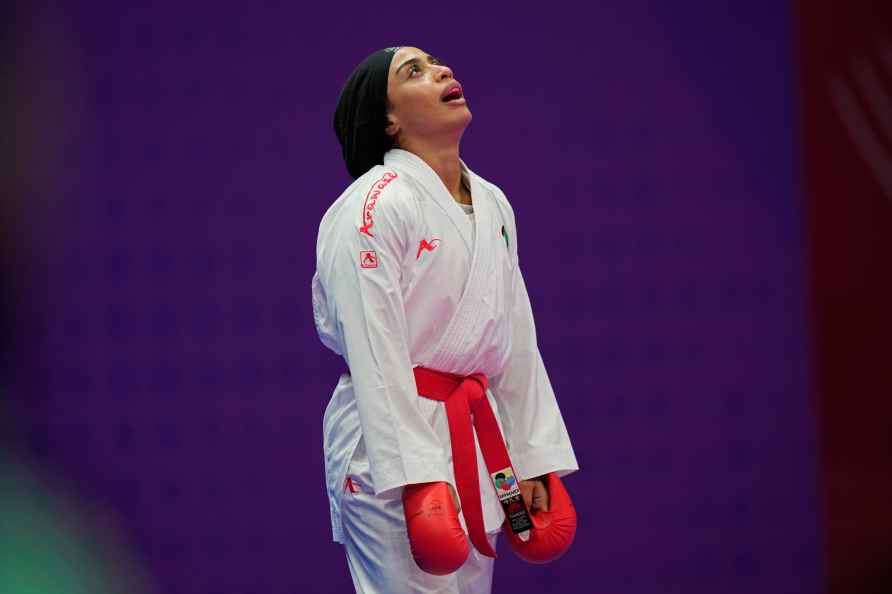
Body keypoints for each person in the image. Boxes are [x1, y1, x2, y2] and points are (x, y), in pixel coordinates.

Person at [312, 45, 579, 594]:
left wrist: (532, 455)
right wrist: (415, 474)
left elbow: (516, 340)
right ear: (387, 120)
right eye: (414, 71)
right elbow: (374, 350)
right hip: (391, 448)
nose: (442, 71)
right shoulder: (373, 206)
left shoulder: (493, 203)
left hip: (476, 439)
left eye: (437, 63)